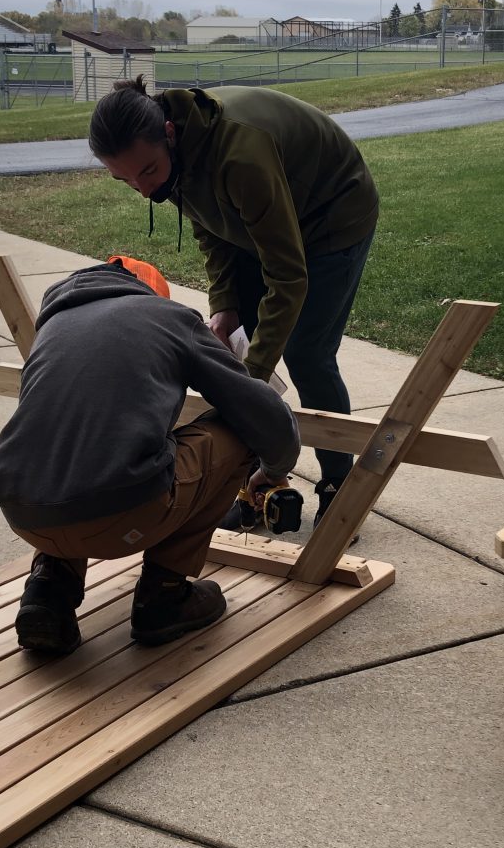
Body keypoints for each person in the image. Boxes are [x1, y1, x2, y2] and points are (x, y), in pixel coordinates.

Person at [88, 78, 378, 529]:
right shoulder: (170, 157)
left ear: (169, 132)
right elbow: (211, 228)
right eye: (124, 180)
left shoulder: (241, 156)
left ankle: (339, 488)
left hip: (331, 216)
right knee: (234, 345)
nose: (142, 190)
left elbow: (287, 274)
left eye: (146, 172)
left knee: (307, 353)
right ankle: (251, 485)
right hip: (266, 210)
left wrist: (250, 387)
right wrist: (225, 307)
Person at [0, 259, 300, 655]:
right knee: (239, 429)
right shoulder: (167, 317)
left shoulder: (56, 323)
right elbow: (263, 413)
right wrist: (273, 470)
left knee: (67, 449)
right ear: (150, 293)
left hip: (24, 514)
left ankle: (48, 590)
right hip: (126, 515)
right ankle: (165, 597)